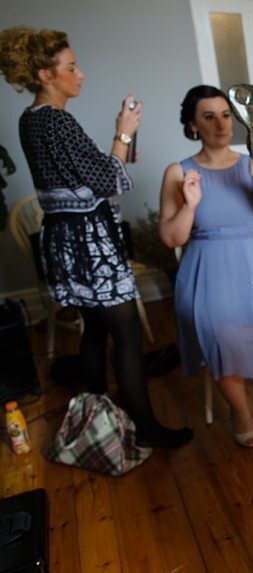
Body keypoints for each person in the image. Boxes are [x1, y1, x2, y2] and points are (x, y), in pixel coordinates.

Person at [0, 26, 192, 448]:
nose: (81, 74)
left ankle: (95, 410)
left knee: (95, 326)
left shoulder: (31, 119)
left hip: (66, 239)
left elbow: (90, 175)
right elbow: (109, 180)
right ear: (44, 74)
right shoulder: (55, 121)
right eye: (71, 67)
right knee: (126, 332)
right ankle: (144, 427)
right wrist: (123, 133)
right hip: (89, 243)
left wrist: (119, 143)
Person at [158, 85, 253, 448]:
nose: (221, 124)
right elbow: (171, 238)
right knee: (222, 334)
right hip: (207, 268)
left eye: (226, 114)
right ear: (193, 125)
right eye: (209, 116)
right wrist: (189, 205)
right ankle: (240, 411)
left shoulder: (248, 163)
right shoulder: (179, 171)